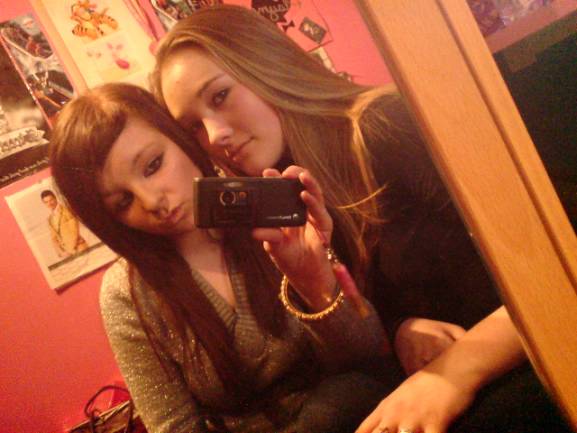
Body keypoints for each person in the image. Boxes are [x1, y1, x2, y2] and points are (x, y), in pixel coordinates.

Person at [150, 5, 573, 433]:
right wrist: (395, 325)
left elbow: (562, 253)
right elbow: (370, 340)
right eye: (194, 127)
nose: (215, 135)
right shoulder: (294, 198)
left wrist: (459, 371)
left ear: (263, 63)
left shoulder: (383, 124)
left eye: (220, 96)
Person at [49, 82, 394, 433]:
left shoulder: (266, 209)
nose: (152, 201)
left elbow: (370, 354)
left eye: (153, 165)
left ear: (179, 139)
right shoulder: (129, 292)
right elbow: (175, 426)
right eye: (123, 202)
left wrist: (316, 280)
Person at [40, 189, 88, 258]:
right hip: (67, 253)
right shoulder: (49, 219)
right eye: (46, 202)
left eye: (51, 200)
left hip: (79, 248)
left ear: (55, 198)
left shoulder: (66, 210)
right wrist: (60, 252)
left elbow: (74, 231)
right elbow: (54, 238)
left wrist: (69, 250)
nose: (49, 203)